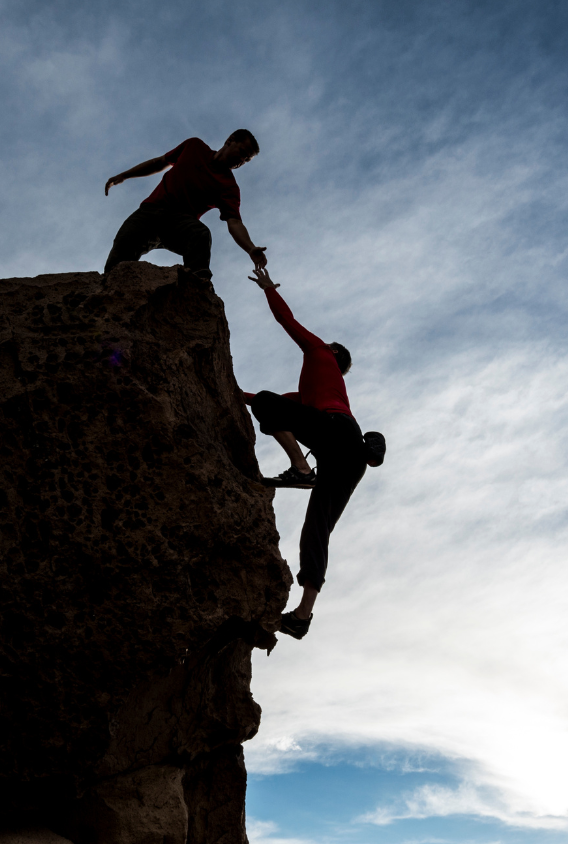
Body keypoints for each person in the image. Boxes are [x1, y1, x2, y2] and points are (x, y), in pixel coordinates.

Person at [241, 267, 381, 640]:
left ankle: (301, 468)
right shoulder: (313, 395)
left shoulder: (320, 352)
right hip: (350, 457)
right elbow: (261, 401)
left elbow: (288, 321)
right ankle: (303, 615)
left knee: (271, 404)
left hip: (334, 434)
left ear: (333, 353)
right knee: (316, 531)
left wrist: (270, 288)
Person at [103, 130, 268, 276]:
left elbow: (235, 222)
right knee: (121, 250)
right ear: (230, 140)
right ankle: (108, 286)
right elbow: (159, 163)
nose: (241, 160)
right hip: (150, 212)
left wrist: (250, 248)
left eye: (246, 160)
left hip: (179, 223)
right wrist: (125, 175)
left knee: (200, 234)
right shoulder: (194, 146)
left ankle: (197, 283)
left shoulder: (229, 187)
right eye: (241, 152)